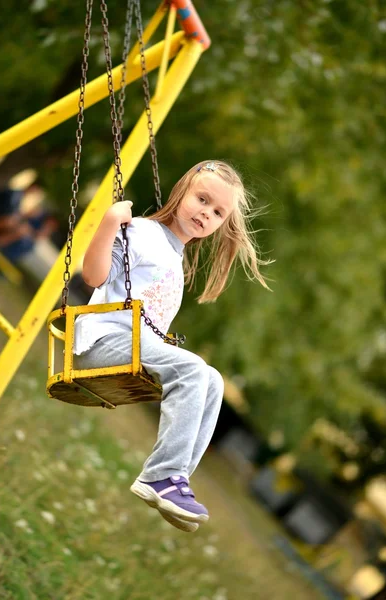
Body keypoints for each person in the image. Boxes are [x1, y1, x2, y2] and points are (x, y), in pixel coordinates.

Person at [73, 160, 271, 533]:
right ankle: (162, 475)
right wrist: (109, 222)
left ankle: (174, 479)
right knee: (195, 369)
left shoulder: (175, 258)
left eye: (217, 212)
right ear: (182, 191)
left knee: (212, 380)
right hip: (100, 343)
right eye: (202, 199)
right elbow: (94, 276)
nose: (206, 213)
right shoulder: (143, 232)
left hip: (129, 349)